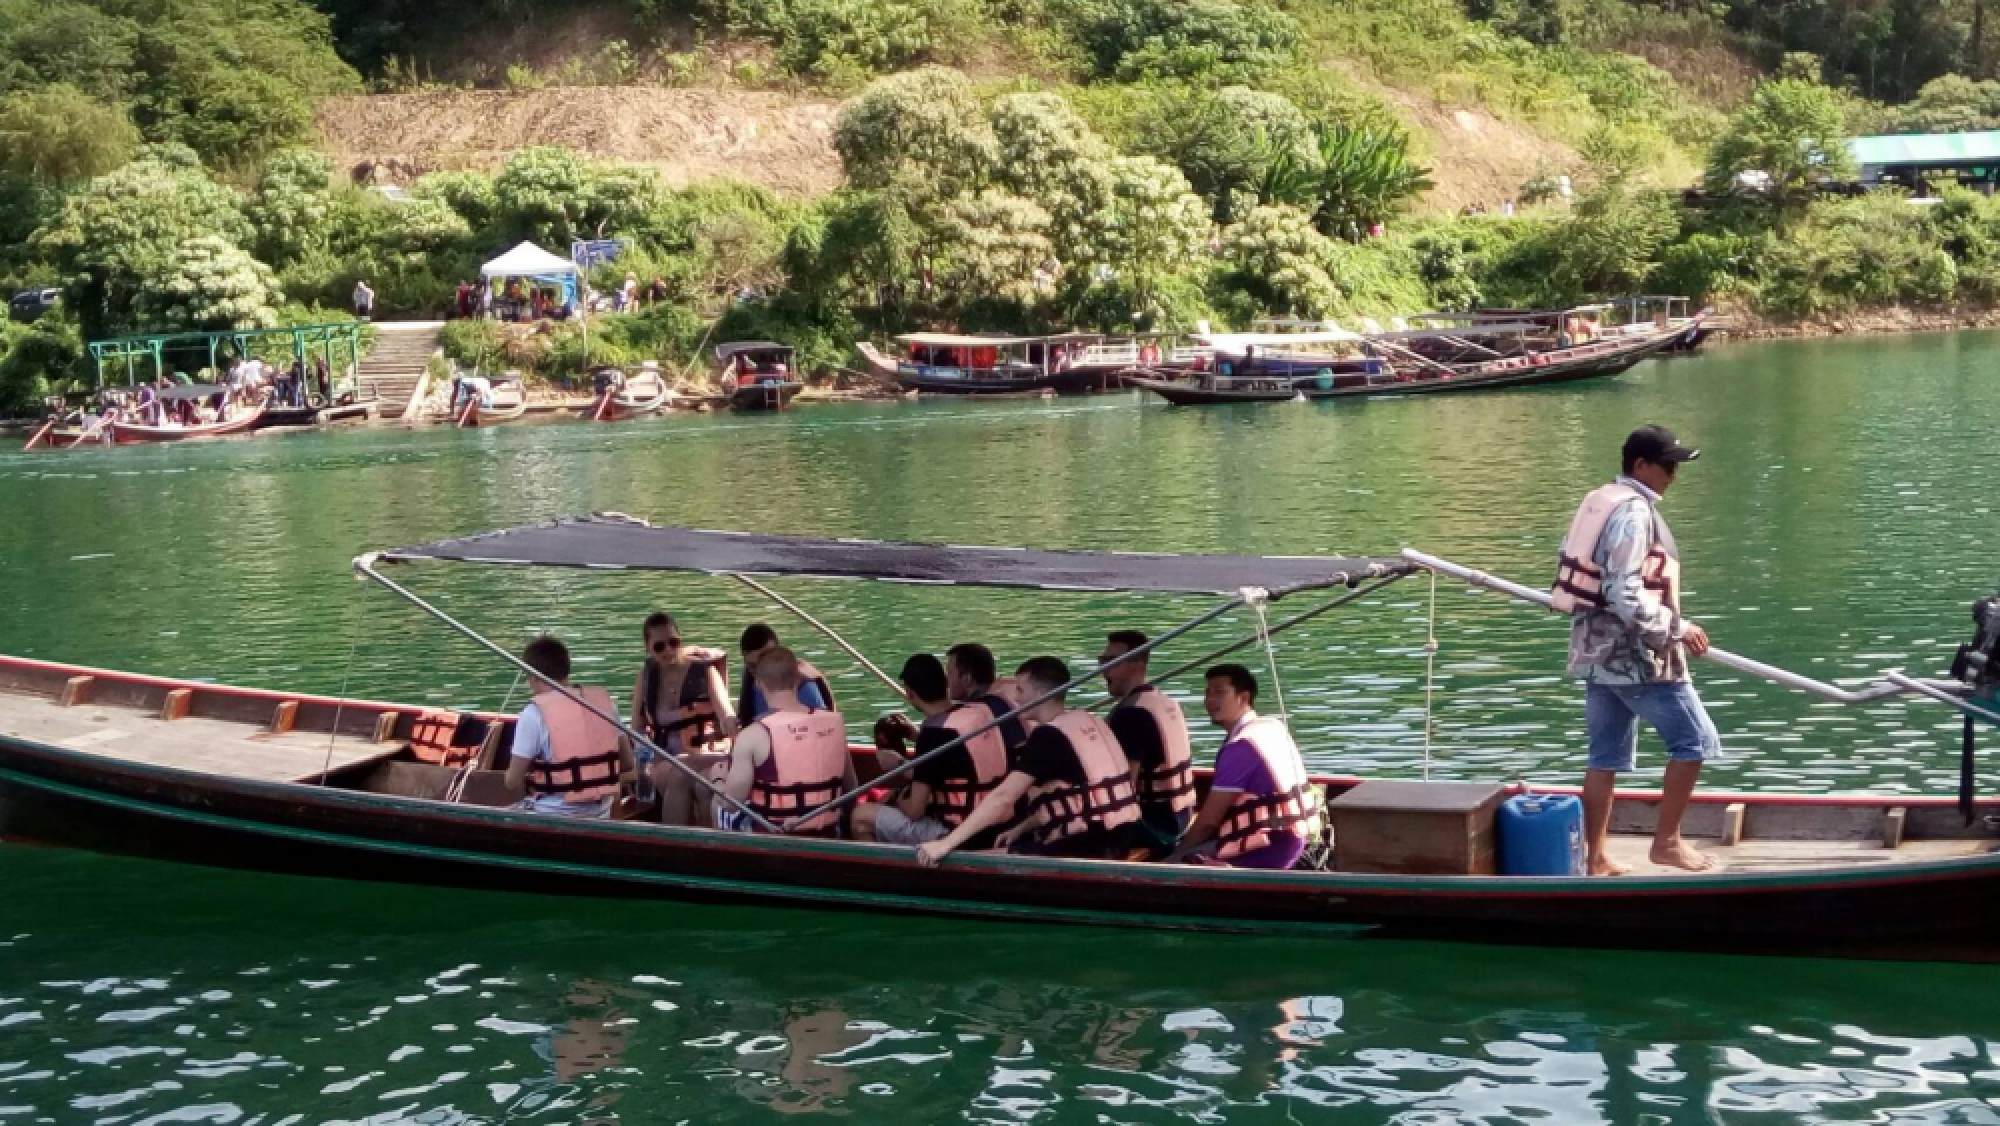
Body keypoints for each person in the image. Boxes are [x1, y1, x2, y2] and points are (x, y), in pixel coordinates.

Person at [1554, 424, 1720, 875]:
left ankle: (1598, 859)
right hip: (1637, 658)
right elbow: (1624, 592)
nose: (1673, 475)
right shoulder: (1632, 513)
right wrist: (1676, 627)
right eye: (1667, 466)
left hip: (1596, 654)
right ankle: (1666, 843)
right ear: (1640, 466)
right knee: (1695, 742)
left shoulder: (1600, 501)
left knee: (1603, 757)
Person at [917, 657, 1141, 866]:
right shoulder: (1087, 721)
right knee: (1011, 844)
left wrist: (945, 844)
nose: (1015, 698)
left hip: (1087, 847)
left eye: (1021, 689)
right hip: (1121, 835)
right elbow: (1079, 793)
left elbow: (1003, 797)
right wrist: (1023, 826)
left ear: (1040, 693)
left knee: (967, 860)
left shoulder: (1049, 735)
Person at [853, 653, 1012, 848]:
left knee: (860, 817)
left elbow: (914, 811)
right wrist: (916, 737)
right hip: (995, 822)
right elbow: (959, 755)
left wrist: (898, 776)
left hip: (960, 834)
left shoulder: (934, 735)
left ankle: (887, 875)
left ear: (910, 693)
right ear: (945, 682)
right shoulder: (979, 712)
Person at [1173, 664, 1322, 870]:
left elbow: (1208, 823)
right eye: (1207, 693)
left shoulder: (1241, 747)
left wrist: (1175, 854)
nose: (1209, 701)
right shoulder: (1270, 727)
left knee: (1176, 861)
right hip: (1294, 839)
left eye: (1219, 693)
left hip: (1267, 849)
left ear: (1243, 698)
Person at [710, 647, 856, 837]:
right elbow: (851, 786)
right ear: (798, 680)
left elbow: (730, 804)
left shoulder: (753, 735)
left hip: (775, 836)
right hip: (828, 832)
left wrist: (718, 779)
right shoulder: (835, 725)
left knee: (717, 803)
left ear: (758, 684)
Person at [504, 636, 634, 819]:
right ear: (566, 671)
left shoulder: (533, 713)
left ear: (532, 677)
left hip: (552, 814)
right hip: (600, 813)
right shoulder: (606, 704)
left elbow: (512, 781)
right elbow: (627, 762)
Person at [1100, 630, 1196, 856]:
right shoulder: (1163, 701)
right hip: (1182, 815)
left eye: (1110, 662)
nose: (1103, 669)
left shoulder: (1131, 715)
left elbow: (1125, 787)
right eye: (1101, 661)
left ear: (1136, 666)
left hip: (1156, 827)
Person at [737, 623, 833, 721]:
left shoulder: (805, 686)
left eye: (766, 659)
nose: (761, 671)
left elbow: (825, 726)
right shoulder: (748, 677)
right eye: (753, 666)